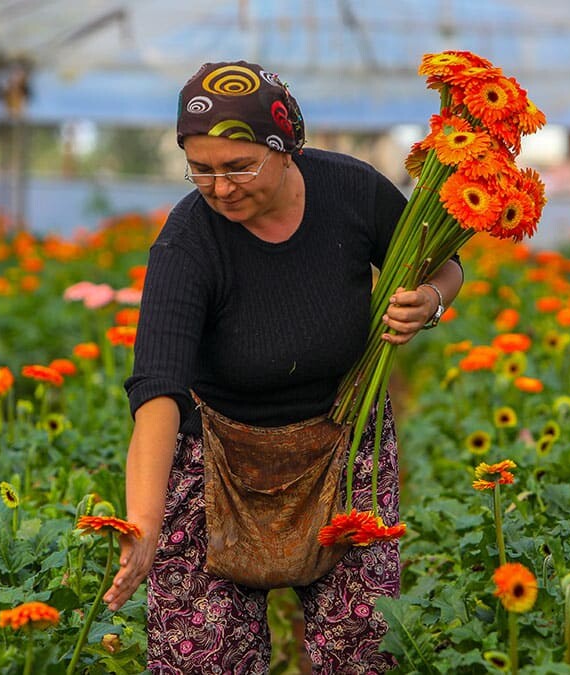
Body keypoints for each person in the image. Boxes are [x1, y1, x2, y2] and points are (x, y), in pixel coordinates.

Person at [102, 60, 464, 673]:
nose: (220, 187)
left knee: (360, 651)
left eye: (239, 166)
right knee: (202, 658)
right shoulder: (188, 241)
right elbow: (158, 389)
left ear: (286, 146)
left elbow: (442, 263)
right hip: (218, 460)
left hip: (345, 445)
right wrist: (143, 521)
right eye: (201, 169)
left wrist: (431, 300)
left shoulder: (351, 190)